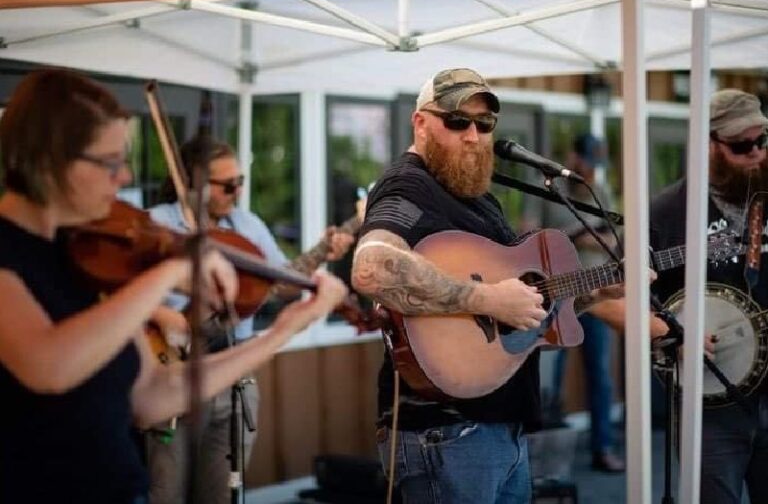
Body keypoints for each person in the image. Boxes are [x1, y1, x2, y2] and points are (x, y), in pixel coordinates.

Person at [0, 68, 349, 504]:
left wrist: (281, 334)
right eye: (110, 162)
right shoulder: (8, 256)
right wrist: (167, 273)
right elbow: (47, 365)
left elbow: (152, 394)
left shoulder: (85, 257)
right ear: (50, 160)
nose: (124, 177)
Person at [350, 68, 621, 504]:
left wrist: (596, 292)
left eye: (484, 124)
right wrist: (487, 298)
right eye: (457, 122)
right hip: (447, 437)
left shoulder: (478, 197)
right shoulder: (409, 185)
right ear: (421, 123)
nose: (473, 135)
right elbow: (371, 269)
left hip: (498, 430)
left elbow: (527, 305)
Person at [146, 135, 356, 504]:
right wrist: (163, 315)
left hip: (233, 365)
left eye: (240, 182)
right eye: (228, 185)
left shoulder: (245, 223)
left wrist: (323, 253)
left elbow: (279, 284)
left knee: (223, 491)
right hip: (172, 368)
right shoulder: (158, 223)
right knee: (166, 490)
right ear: (194, 182)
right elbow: (117, 289)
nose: (237, 192)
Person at [592, 89, 768, 504]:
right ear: (707, 144)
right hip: (710, 407)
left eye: (762, 141)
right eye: (742, 145)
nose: (757, 154)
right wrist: (670, 333)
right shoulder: (666, 213)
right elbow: (603, 297)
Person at [542, 133, 625, 472]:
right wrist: (577, 237)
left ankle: (602, 447)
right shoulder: (550, 194)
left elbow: (613, 241)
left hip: (597, 299)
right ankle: (546, 453)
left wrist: (583, 238)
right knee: (551, 378)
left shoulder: (600, 194)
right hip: (558, 298)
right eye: (588, 163)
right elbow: (534, 236)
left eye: (596, 166)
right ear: (574, 159)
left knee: (600, 376)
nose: (591, 172)